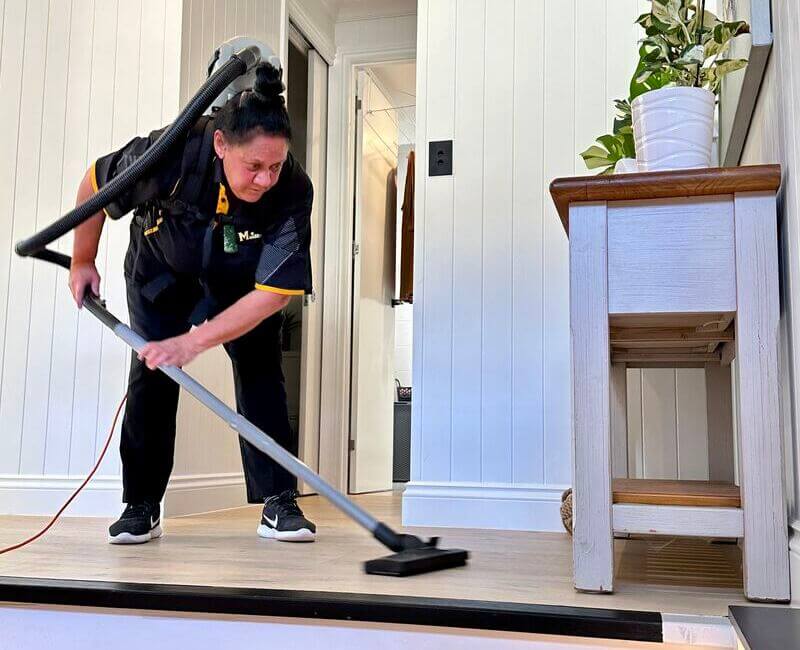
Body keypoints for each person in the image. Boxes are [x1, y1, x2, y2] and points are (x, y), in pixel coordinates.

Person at [68, 62, 316, 545]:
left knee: (262, 368)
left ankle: (278, 501)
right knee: (153, 373)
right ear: (222, 144)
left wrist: (196, 341)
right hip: (160, 271)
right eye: (254, 167)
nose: (266, 178)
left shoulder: (292, 190)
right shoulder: (170, 152)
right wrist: (82, 259)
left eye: (275, 165)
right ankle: (141, 504)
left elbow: (274, 294)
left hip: (239, 282)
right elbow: (96, 184)